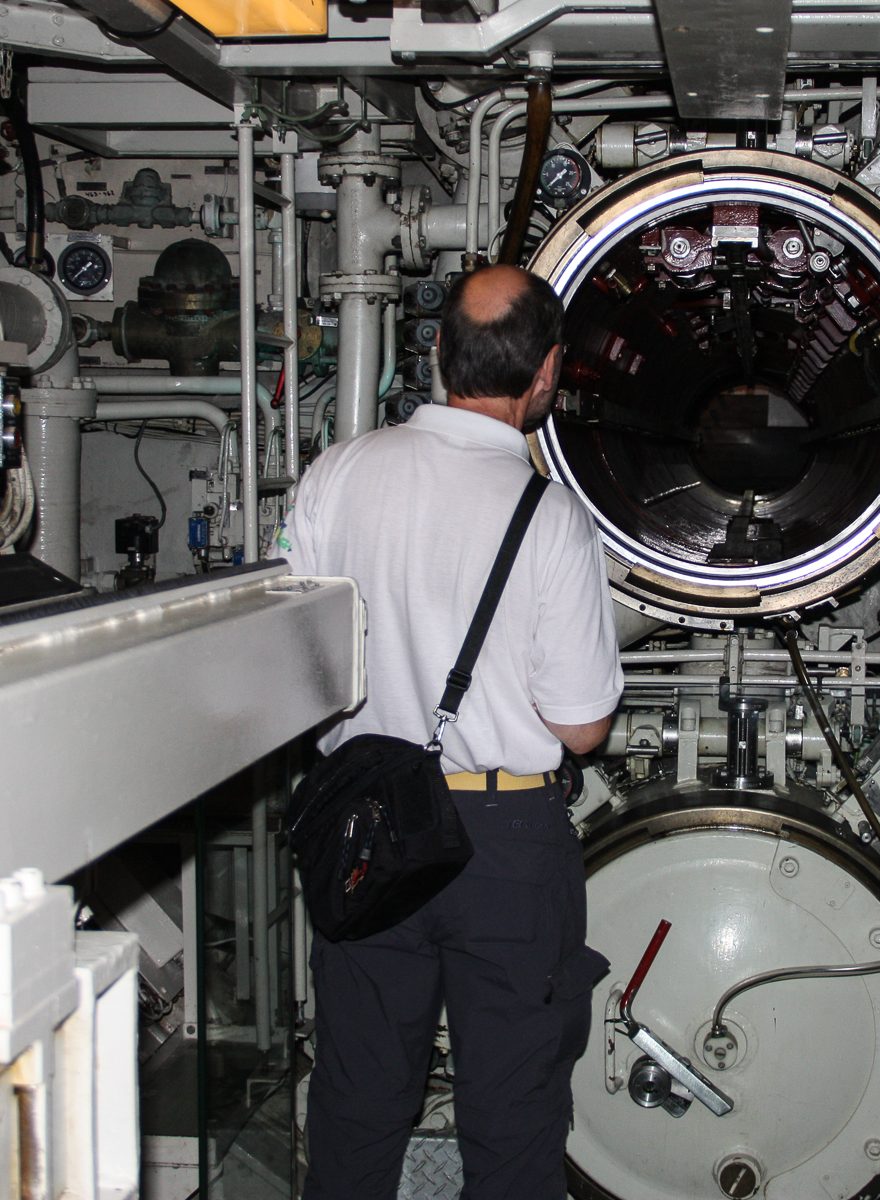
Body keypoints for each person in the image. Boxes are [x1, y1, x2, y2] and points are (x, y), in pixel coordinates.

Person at [278, 264, 624, 1200]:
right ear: (546, 372)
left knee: (356, 1097)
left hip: (361, 822)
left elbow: (289, 658)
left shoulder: (337, 475)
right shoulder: (549, 515)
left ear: (437, 351)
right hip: (502, 841)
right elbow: (583, 728)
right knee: (512, 1116)